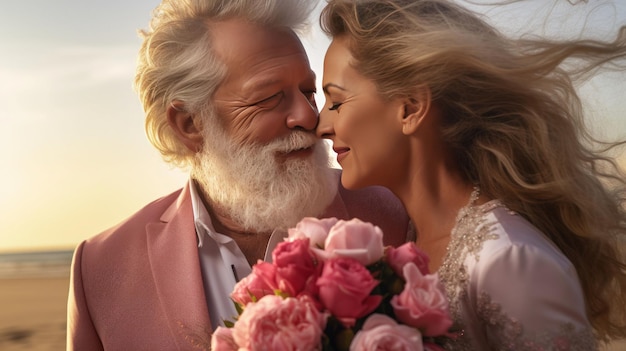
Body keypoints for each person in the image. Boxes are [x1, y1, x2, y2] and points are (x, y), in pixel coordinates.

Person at [66, 0, 412, 349]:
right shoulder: (99, 267)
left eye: (309, 93)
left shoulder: (395, 215)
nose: (310, 118)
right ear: (190, 124)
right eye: (269, 98)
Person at [316, 0, 626, 349]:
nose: (321, 126)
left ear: (411, 107)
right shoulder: (404, 239)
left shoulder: (511, 259)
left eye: (336, 102)